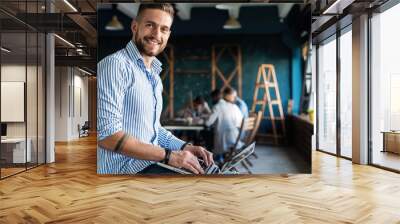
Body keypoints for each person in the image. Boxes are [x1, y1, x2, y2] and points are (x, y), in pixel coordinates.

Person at [97, 3, 213, 175]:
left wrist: (185, 147)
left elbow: (155, 130)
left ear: (168, 34)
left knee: (209, 172)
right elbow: (107, 136)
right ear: (135, 26)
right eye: (150, 25)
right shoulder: (116, 66)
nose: (156, 35)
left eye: (164, 29)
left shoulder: (154, 77)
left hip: (147, 164)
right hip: (122, 173)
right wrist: (169, 156)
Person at [205, 87, 243, 163]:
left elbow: (208, 123)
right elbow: (239, 122)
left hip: (224, 141)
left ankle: (213, 158)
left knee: (206, 134)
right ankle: (219, 158)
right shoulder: (234, 106)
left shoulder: (217, 107)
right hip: (235, 139)